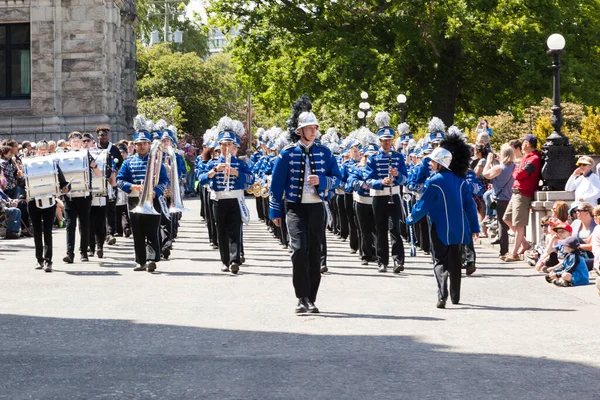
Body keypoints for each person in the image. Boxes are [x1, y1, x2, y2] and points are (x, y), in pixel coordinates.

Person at [269, 96, 341, 314]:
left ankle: (311, 297)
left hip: (316, 207)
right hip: (295, 208)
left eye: (315, 127)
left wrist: (323, 181)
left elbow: (338, 178)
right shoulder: (287, 153)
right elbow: (276, 184)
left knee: (315, 252)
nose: (313, 131)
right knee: (299, 250)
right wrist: (275, 211)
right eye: (309, 128)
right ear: (300, 130)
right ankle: (301, 297)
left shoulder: (325, 152)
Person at [407, 133, 480, 308]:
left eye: (433, 161)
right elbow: (470, 206)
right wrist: (474, 227)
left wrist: (410, 218)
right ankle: (455, 296)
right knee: (455, 263)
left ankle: (442, 295)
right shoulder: (461, 180)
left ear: (440, 163)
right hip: (459, 228)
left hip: (439, 227)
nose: (430, 164)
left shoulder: (434, 181)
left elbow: (423, 205)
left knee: (439, 261)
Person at [198, 117, 253, 274]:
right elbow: (201, 180)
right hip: (219, 200)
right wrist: (214, 171)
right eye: (224, 144)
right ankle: (225, 260)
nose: (226, 147)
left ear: (234, 146)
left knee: (235, 230)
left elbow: (250, 179)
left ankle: (235, 260)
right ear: (219, 146)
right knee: (221, 230)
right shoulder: (212, 163)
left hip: (235, 200)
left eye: (229, 144)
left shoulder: (241, 164)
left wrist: (236, 173)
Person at [116, 120, 169, 272]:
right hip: (134, 199)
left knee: (152, 230)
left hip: (152, 199)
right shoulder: (128, 162)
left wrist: (156, 191)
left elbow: (165, 181)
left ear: (149, 144)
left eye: (145, 143)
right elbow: (119, 180)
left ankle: (151, 258)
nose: (142, 146)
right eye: (139, 144)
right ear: (135, 145)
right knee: (137, 232)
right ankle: (140, 261)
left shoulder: (156, 161)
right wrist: (132, 186)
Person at [365, 111, 408, 273]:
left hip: (395, 195)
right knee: (380, 229)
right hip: (379, 197)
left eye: (390, 140)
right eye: (385, 140)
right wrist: (380, 182)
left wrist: (397, 176)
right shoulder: (373, 158)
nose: (388, 143)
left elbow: (406, 178)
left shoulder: (398, 157)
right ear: (380, 141)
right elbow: (368, 180)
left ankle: (398, 261)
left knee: (395, 229)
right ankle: (382, 261)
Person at [27, 141, 70, 272]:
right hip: (34, 201)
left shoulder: (53, 165)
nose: (43, 152)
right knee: (37, 231)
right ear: (37, 151)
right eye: (40, 150)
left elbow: (64, 182)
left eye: (45, 150)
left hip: (49, 201)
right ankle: (39, 259)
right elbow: (24, 181)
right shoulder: (29, 164)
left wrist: (65, 188)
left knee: (47, 231)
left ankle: (48, 261)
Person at [62, 132, 102, 264]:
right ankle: (69, 253)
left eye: (78, 141)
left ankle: (84, 252)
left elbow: (98, 173)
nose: (76, 143)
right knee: (70, 225)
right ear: (69, 143)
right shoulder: (64, 157)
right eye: (74, 141)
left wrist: (94, 166)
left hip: (84, 195)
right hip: (70, 196)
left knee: (84, 225)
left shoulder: (87, 155)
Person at [503, 134, 542, 262]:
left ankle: (514, 254)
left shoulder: (534, 158)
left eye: (524, 142)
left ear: (528, 144)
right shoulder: (527, 157)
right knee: (507, 218)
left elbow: (520, 174)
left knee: (519, 225)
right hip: (516, 192)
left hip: (523, 193)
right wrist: (517, 169)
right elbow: (518, 172)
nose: (522, 144)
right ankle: (524, 244)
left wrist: (516, 170)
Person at [482, 144, 515, 259]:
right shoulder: (515, 167)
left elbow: (485, 174)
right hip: (512, 198)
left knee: (502, 225)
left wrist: (489, 161)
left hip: (501, 199)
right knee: (514, 224)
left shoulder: (499, 168)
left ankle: (503, 251)